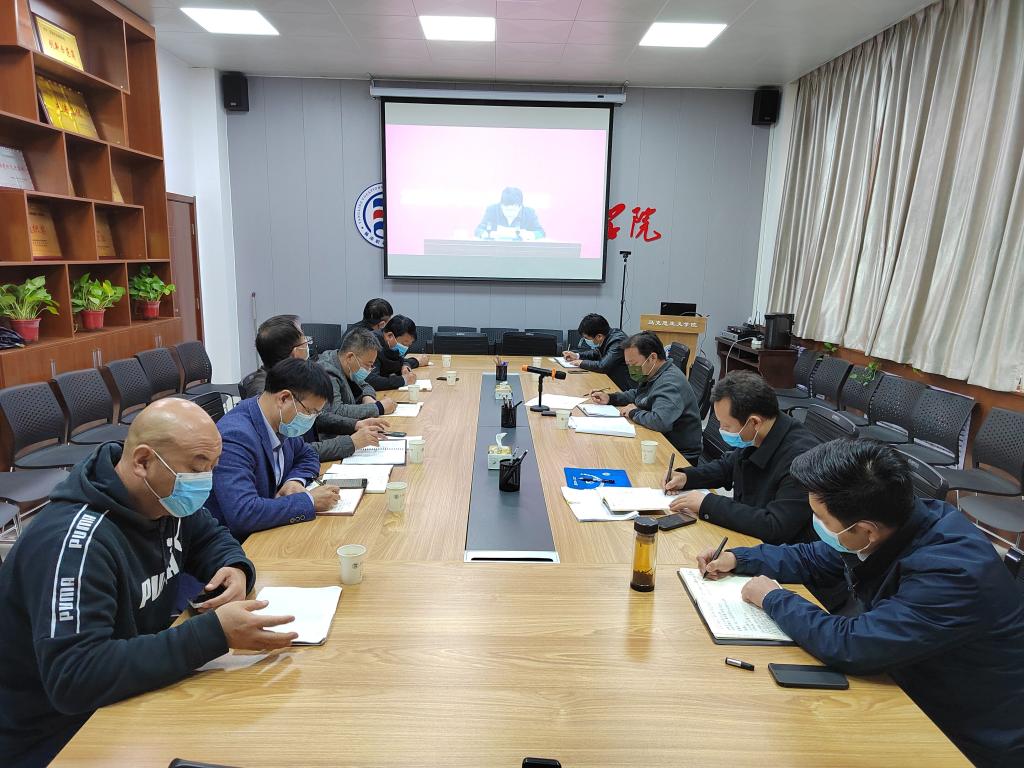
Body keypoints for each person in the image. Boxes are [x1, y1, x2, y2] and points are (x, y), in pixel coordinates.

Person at [0, 399, 298, 765]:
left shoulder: (162, 498)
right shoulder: (74, 544)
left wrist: (234, 567)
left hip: (130, 690)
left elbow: (211, 537)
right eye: (198, 468)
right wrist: (215, 634)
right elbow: (75, 678)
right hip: (57, 736)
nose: (206, 481)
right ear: (142, 461)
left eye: (213, 467)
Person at [698, 439, 1024, 766]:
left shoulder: (953, 575)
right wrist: (740, 558)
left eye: (820, 518)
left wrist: (773, 597)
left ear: (866, 531)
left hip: (967, 737)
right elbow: (816, 557)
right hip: (909, 680)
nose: (816, 525)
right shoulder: (895, 519)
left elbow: (853, 645)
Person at [664, 371, 819, 545]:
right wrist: (687, 477)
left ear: (754, 422)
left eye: (726, 425)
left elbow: (775, 526)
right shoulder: (760, 433)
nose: (721, 429)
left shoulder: (801, 460)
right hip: (749, 532)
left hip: (777, 549)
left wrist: (708, 504)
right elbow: (728, 467)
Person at [206, 358, 342, 540]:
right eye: (310, 412)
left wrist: (295, 481)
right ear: (284, 398)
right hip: (242, 543)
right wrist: (309, 501)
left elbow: (308, 454)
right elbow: (243, 513)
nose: (311, 419)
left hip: (272, 527)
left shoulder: (281, 422)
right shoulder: (235, 436)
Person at [238, 314, 387, 460]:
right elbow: (293, 452)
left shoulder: (294, 377)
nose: (309, 345)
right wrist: (351, 442)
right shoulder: (266, 394)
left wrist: (355, 425)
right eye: (305, 340)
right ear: (296, 352)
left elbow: (319, 416)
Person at [590, 331, 702, 464]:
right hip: (659, 440)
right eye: (628, 365)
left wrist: (633, 412)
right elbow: (639, 394)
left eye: (633, 364)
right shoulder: (655, 372)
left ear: (652, 358)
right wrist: (611, 398)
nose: (631, 369)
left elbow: (660, 421)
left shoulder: (670, 383)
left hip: (678, 455)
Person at [317, 327, 397, 421]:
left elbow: (366, 385)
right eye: (367, 364)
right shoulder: (327, 372)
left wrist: (367, 397)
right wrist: (378, 407)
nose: (369, 369)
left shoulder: (347, 366)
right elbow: (335, 411)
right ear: (350, 357)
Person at [238, 314, 310, 399]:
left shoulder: (289, 375)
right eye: (304, 339)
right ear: (296, 353)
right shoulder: (265, 396)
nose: (307, 342)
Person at [562, 313, 630, 391]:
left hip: (621, 388)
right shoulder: (607, 336)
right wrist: (577, 355)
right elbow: (597, 353)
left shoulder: (617, 341)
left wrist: (581, 363)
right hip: (609, 380)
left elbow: (603, 366)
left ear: (599, 336)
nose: (585, 340)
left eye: (586, 338)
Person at [367, 314, 421, 392]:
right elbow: (371, 380)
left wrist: (405, 366)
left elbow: (398, 361)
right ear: (390, 336)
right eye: (404, 344)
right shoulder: (371, 344)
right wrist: (403, 380)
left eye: (409, 345)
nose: (405, 348)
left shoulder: (392, 345)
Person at [474, 187, 545, 240]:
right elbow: (478, 230)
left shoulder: (529, 213)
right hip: (496, 250)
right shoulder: (492, 210)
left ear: (520, 207)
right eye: (506, 210)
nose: (510, 213)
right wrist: (487, 234)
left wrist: (529, 235)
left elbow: (541, 233)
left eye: (513, 210)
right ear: (501, 205)